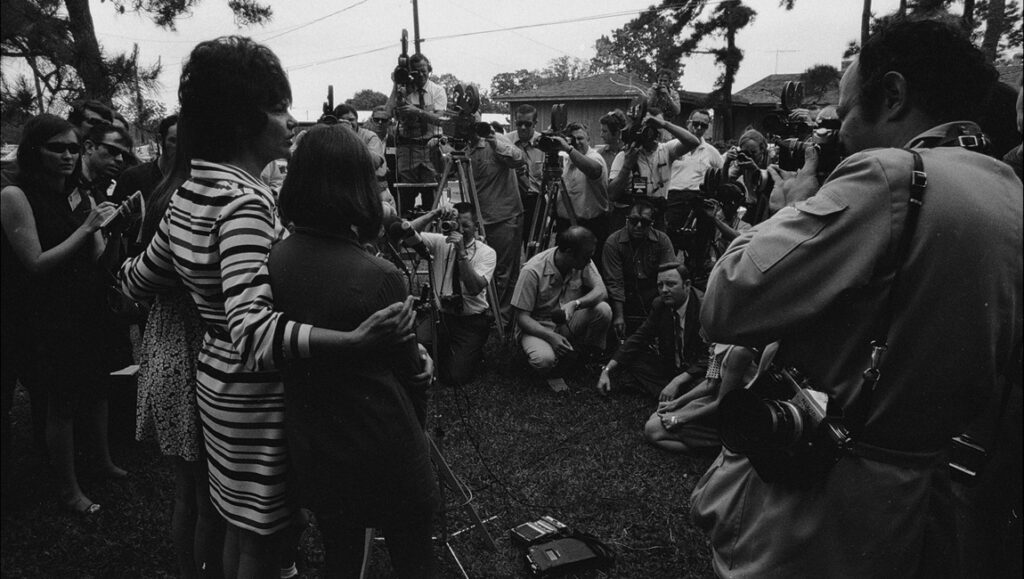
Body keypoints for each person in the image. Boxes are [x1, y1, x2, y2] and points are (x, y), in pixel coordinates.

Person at [691, 17, 1022, 578]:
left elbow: (725, 302)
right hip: (920, 495)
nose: (838, 132)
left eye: (844, 113)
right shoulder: (1008, 189)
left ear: (891, 95)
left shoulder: (894, 177)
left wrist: (785, 209)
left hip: (819, 500)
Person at [119, 36, 418, 579]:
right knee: (263, 536)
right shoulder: (245, 202)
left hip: (213, 381)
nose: (289, 121)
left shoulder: (190, 190)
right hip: (250, 394)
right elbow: (253, 334)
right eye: (279, 109)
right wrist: (351, 343)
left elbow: (140, 278)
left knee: (240, 524)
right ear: (242, 121)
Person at [268, 124, 439, 578]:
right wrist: (425, 364)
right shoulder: (379, 275)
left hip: (319, 446)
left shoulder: (276, 260)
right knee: (413, 559)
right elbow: (413, 375)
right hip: (385, 444)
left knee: (340, 556)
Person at [0, 114, 126, 515]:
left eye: (74, 148)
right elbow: (35, 262)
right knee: (62, 401)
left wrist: (118, 229)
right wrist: (87, 228)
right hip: (44, 315)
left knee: (97, 387)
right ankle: (69, 489)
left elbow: (99, 259)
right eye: (58, 148)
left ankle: (103, 462)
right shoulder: (15, 196)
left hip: (86, 309)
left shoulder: (80, 195)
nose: (69, 155)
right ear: (34, 149)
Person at [132, 147, 224, 578]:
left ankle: (189, 569)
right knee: (208, 498)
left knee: (188, 489)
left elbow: (140, 281)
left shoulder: (163, 195)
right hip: (194, 350)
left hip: (163, 341)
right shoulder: (193, 202)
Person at [512, 226, 611, 392]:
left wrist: (576, 304)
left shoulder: (582, 259)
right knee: (544, 360)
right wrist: (550, 337)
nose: (589, 261)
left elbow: (601, 291)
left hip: (566, 320)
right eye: (586, 257)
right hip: (537, 327)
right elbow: (522, 318)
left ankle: (588, 357)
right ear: (570, 252)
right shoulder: (532, 270)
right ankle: (543, 358)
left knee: (603, 310)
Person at [410, 202, 496, 387]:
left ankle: (467, 350)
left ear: (477, 226)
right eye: (456, 224)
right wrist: (433, 214)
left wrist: (461, 253)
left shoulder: (487, 253)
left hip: (470, 321)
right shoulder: (440, 242)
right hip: (442, 315)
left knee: (454, 377)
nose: (461, 230)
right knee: (414, 350)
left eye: (466, 226)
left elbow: (474, 288)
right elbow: (404, 232)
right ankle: (448, 349)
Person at [596, 262, 708, 400]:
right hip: (671, 367)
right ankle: (680, 395)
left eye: (671, 284)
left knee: (706, 383)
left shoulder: (705, 307)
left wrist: (678, 380)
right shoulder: (660, 304)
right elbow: (639, 338)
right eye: (660, 285)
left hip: (696, 371)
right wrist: (607, 370)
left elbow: (710, 356)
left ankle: (676, 392)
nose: (664, 290)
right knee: (634, 359)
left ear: (687, 285)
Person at [466, 121, 525, 324]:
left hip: (503, 216)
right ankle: (486, 309)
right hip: (478, 217)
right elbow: (447, 171)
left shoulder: (495, 139)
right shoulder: (462, 147)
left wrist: (494, 142)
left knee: (504, 271)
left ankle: (502, 317)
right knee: (480, 266)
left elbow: (519, 159)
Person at [608, 114, 701, 231]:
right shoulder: (626, 155)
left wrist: (665, 124)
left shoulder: (666, 150)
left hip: (655, 216)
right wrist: (627, 166)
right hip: (631, 217)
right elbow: (612, 194)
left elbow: (693, 142)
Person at [601, 199, 676, 340]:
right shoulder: (613, 242)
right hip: (625, 295)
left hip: (653, 294)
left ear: (652, 223)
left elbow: (670, 273)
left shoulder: (662, 240)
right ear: (627, 220)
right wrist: (618, 316)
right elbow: (614, 282)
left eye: (645, 222)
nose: (639, 226)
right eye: (634, 221)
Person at [385, 53, 447, 215]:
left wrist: (417, 111)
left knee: (431, 193)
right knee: (405, 196)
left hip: (430, 147)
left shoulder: (437, 90)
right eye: (416, 72)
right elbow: (387, 113)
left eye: (424, 71)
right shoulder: (404, 90)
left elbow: (441, 119)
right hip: (407, 148)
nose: (420, 75)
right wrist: (396, 85)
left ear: (429, 70)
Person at [663, 109, 724, 273]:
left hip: (698, 201)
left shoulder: (711, 151)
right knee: (669, 246)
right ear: (688, 123)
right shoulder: (671, 146)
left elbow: (723, 174)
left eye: (703, 125)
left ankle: (696, 282)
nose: (698, 128)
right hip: (673, 200)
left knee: (699, 248)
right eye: (695, 123)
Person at [112, 114, 177, 257]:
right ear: (161, 140)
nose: (180, 148)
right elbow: (114, 223)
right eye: (174, 141)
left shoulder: (192, 180)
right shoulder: (134, 177)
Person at [549, 122, 610, 261]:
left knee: (588, 269)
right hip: (565, 225)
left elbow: (593, 170)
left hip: (589, 226)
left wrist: (569, 149)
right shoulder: (567, 160)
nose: (576, 142)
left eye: (580, 138)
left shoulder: (594, 157)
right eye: (572, 139)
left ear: (588, 139)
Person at [76, 122, 133, 206]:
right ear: (89, 147)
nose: (120, 159)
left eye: (125, 156)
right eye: (113, 150)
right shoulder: (65, 181)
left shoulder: (99, 193)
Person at [513, 104, 545, 250]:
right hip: (513, 201)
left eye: (528, 124)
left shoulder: (544, 143)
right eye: (520, 124)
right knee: (511, 246)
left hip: (536, 201)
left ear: (535, 124)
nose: (523, 128)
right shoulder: (505, 142)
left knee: (534, 247)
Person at [595, 109, 629, 230]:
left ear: (617, 132)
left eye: (605, 131)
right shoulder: (600, 155)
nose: (601, 135)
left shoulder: (628, 154)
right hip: (604, 211)